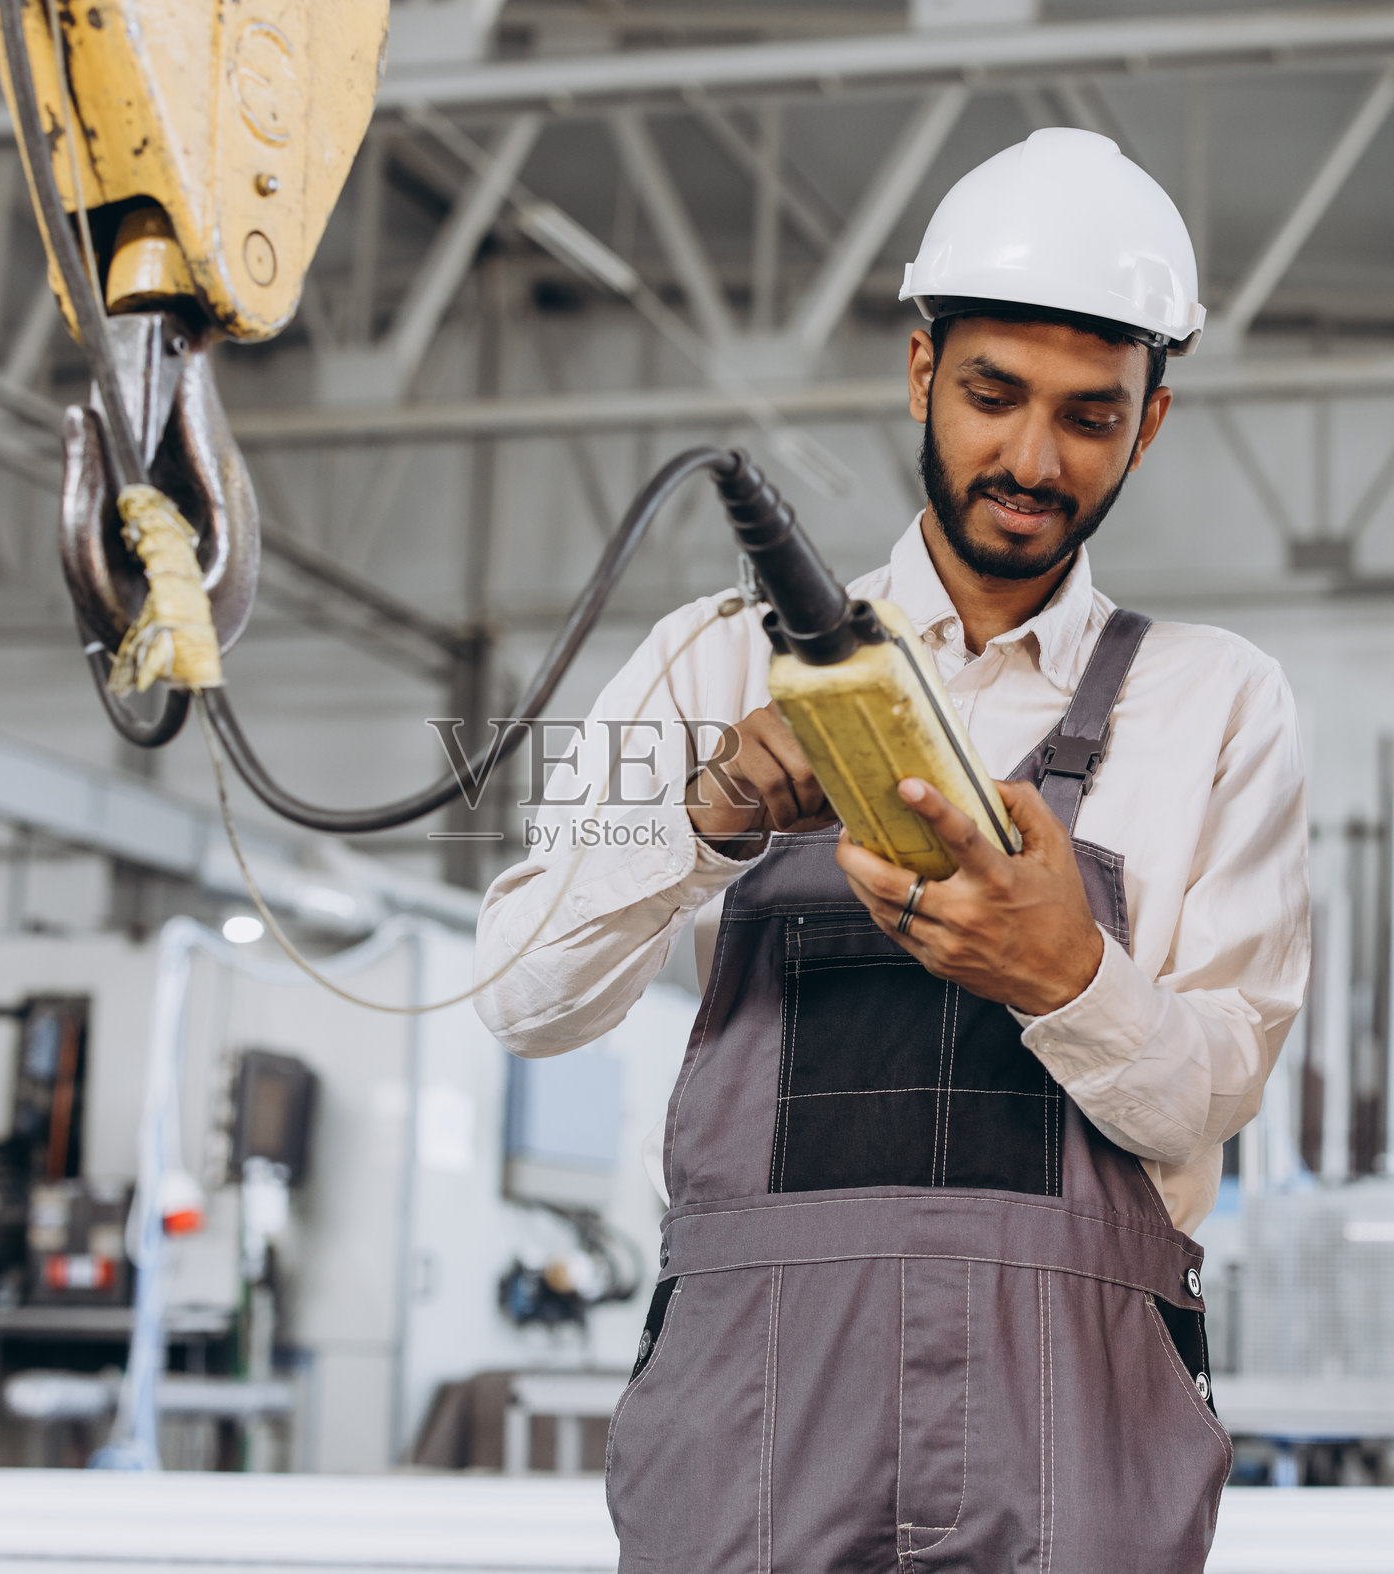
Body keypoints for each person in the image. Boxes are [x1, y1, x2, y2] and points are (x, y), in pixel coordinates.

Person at [474, 128, 1309, 1572]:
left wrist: (1065, 973)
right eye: (994, 396)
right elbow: (520, 994)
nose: (1033, 459)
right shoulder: (711, 662)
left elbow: (1212, 1094)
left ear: (1150, 421)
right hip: (754, 1418)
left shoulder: (1218, 701)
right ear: (922, 370)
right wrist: (706, 811)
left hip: (1083, 1416)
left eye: (1090, 416)